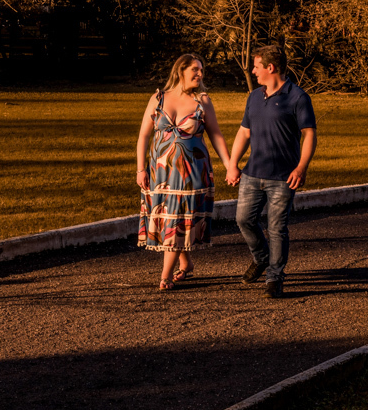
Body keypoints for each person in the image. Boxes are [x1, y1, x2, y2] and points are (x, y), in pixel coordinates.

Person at [225, 44, 317, 299]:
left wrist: (301, 167)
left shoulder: (297, 97)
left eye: (256, 66)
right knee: (243, 220)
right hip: (252, 173)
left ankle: (275, 277)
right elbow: (244, 132)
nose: (252, 70)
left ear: (270, 67)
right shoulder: (254, 97)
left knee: (277, 228)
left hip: (283, 177)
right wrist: (233, 165)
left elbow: (309, 134)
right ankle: (262, 257)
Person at [136, 54, 235, 290]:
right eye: (195, 70)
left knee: (177, 220)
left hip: (192, 174)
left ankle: (165, 275)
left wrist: (230, 165)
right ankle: (186, 263)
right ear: (180, 71)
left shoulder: (202, 101)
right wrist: (140, 169)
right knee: (170, 219)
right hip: (160, 173)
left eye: (201, 70)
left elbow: (216, 135)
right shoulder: (158, 98)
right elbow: (143, 136)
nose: (200, 74)